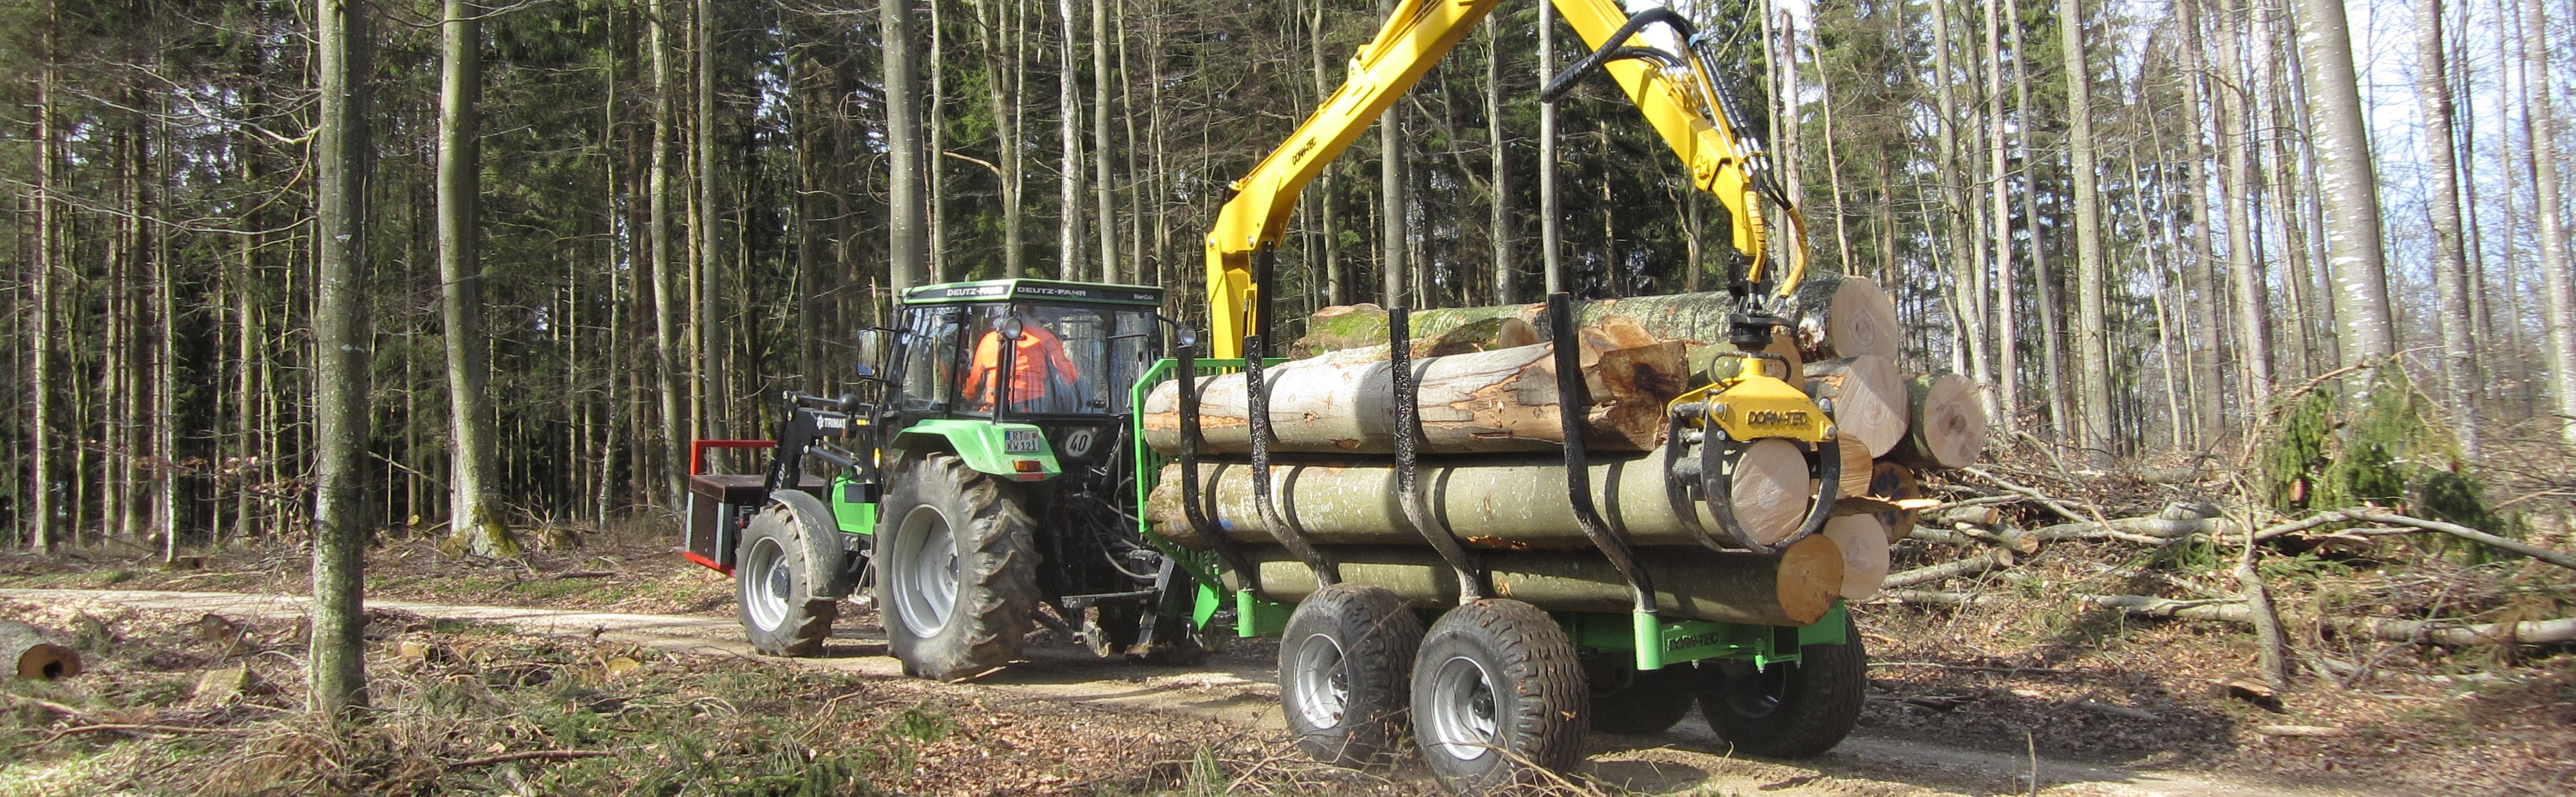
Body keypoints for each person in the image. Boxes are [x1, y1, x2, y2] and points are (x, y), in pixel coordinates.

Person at [961, 304, 1081, 412]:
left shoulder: (989, 339)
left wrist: (969, 398)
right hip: (1035, 406)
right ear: (1031, 313)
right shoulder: (1044, 337)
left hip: (995, 406)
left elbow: (975, 379)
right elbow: (1068, 375)